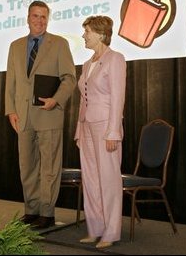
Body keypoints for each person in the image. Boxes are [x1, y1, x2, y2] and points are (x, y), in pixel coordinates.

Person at [5, 1, 76, 229]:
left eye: (44, 17)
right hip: (23, 117)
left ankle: (47, 213)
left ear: (48, 19)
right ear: (27, 18)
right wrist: (10, 110)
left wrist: (56, 99)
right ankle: (31, 210)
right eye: (35, 16)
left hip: (49, 115)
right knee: (27, 167)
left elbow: (69, 78)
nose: (39, 21)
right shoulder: (15, 46)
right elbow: (11, 82)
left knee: (49, 168)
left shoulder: (60, 44)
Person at [74, 16, 126, 248]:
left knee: (108, 180)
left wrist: (113, 132)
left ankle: (111, 232)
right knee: (91, 180)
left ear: (100, 34)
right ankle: (95, 228)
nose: (83, 36)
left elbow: (118, 97)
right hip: (86, 127)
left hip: (106, 127)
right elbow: (83, 100)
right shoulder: (87, 64)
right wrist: (78, 129)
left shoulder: (115, 59)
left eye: (86, 32)